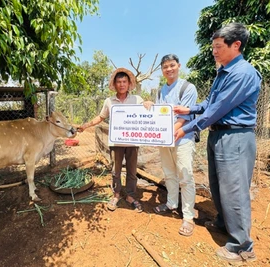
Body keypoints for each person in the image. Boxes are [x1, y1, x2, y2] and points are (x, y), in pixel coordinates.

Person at [173, 22, 261, 263]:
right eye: (213, 46)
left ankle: (242, 246)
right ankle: (224, 224)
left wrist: (187, 127)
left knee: (234, 189)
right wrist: (189, 108)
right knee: (218, 184)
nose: (214, 51)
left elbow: (217, 110)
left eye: (218, 46)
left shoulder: (243, 73)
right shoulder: (224, 71)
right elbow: (210, 102)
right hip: (219, 135)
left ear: (236, 45)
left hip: (235, 137)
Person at [143, 54, 198, 236]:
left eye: (172, 65)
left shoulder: (187, 88)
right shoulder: (161, 91)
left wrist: (169, 133)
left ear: (178, 66)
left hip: (182, 138)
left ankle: (188, 216)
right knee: (169, 173)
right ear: (162, 70)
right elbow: (158, 114)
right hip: (165, 139)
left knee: (185, 175)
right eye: (165, 67)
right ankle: (171, 203)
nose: (169, 69)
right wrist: (149, 104)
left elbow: (184, 117)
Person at [78, 68, 144, 212]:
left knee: (132, 171)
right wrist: (86, 125)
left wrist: (150, 104)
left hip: (133, 142)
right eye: (119, 82)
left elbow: (147, 113)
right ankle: (116, 194)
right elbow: (101, 117)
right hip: (116, 142)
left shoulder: (137, 100)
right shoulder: (109, 101)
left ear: (129, 84)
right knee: (116, 170)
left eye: (124, 82)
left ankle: (131, 196)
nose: (121, 84)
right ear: (114, 84)